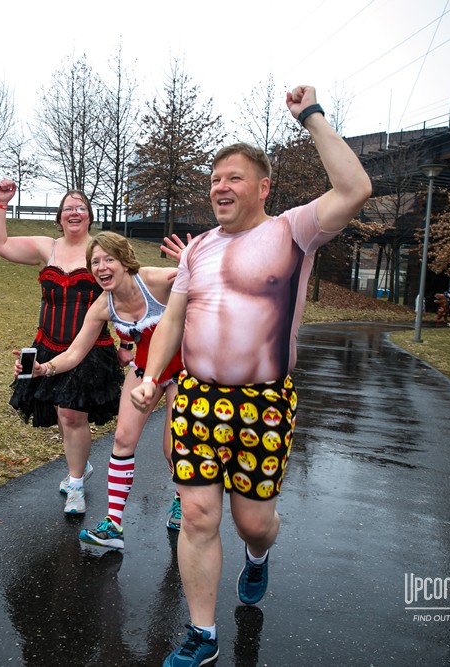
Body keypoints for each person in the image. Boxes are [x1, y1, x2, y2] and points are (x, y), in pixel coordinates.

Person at [131, 85, 372, 667]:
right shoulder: (197, 250)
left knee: (253, 522)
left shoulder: (293, 231)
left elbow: (357, 189)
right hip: (195, 400)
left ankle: (259, 557)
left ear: (263, 188)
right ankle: (203, 634)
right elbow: (173, 321)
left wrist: (310, 117)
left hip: (263, 403)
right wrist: (151, 375)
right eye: (215, 178)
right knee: (197, 515)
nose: (220, 186)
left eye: (234, 177)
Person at [16, 231, 188, 550]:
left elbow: (210, 284)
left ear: (124, 260)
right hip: (144, 369)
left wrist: (192, 263)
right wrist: (44, 368)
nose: (102, 266)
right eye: (95, 262)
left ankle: (181, 499)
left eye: (109, 258)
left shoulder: (158, 280)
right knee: (122, 438)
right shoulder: (102, 306)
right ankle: (113, 524)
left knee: (172, 450)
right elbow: (75, 352)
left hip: (183, 370)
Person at [0, 180, 124, 515]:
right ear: (59, 217)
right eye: (68, 208)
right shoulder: (46, 248)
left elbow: (124, 293)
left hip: (91, 349)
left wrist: (129, 342)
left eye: (81, 207)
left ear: (90, 215)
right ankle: (80, 466)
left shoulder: (101, 249)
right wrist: (2, 203)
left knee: (71, 414)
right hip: (48, 346)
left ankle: (76, 483)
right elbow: (0, 243)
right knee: (64, 417)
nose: (74, 212)